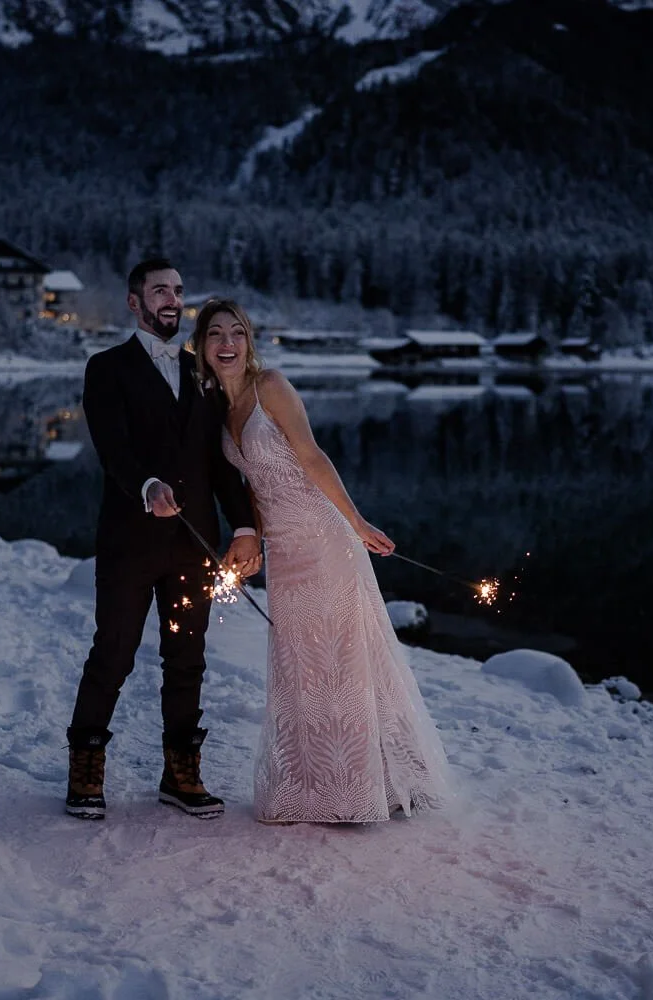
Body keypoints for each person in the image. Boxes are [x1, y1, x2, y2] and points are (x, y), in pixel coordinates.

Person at [193, 298, 453, 823]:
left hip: (325, 540)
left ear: (249, 341)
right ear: (201, 346)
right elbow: (256, 487)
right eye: (215, 334)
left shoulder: (273, 388)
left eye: (236, 333)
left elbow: (311, 457)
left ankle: (363, 790)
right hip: (286, 553)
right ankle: (313, 787)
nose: (226, 343)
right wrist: (255, 542)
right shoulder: (219, 410)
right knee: (302, 670)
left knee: (343, 665)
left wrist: (357, 525)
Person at [65, 260, 262, 821]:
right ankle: (86, 767)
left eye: (178, 290)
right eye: (160, 291)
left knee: (188, 658)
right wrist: (147, 486)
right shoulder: (106, 368)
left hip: (195, 545)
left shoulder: (202, 372)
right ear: (135, 302)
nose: (173, 299)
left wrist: (244, 525)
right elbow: (113, 448)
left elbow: (221, 465)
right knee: (114, 653)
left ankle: (180, 774)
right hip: (130, 540)